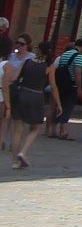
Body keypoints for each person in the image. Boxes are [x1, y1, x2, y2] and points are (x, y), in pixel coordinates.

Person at [8, 39, 54, 168]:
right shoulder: (49, 66)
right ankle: (23, 152)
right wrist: (58, 103)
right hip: (36, 96)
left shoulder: (27, 62)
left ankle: (14, 161)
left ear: (38, 49)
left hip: (22, 94)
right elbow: (53, 86)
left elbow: (14, 78)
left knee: (18, 130)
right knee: (34, 128)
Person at [48, 37, 82, 139]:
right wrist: (79, 87)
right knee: (67, 106)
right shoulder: (79, 56)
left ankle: (52, 130)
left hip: (60, 83)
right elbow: (77, 72)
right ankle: (63, 131)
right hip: (70, 84)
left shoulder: (63, 55)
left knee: (58, 105)